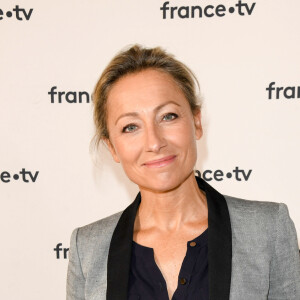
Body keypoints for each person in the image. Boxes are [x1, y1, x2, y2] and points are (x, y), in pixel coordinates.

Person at [66, 45, 300, 300]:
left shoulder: (267, 229)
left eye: (168, 116)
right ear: (112, 147)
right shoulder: (87, 248)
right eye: (130, 126)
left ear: (196, 122)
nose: (154, 142)